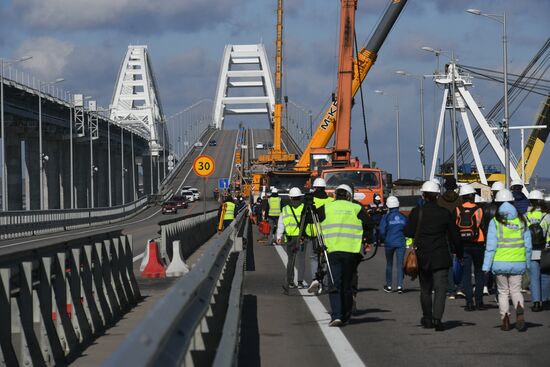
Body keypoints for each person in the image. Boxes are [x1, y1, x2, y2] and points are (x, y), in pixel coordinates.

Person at [404, 180, 462, 331]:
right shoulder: (444, 213)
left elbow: (408, 231)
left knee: (425, 289)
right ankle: (437, 318)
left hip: (423, 256)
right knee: (441, 289)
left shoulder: (418, 212)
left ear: (423, 195)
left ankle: (427, 318)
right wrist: (460, 252)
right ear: (437, 195)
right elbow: (454, 235)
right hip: (441, 255)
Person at [317, 184, 373, 326]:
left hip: (332, 250)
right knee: (347, 285)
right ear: (349, 196)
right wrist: (366, 237)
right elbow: (370, 224)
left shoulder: (327, 207)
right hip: (351, 252)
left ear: (335, 195)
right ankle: (346, 316)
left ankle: (336, 315)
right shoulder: (356, 208)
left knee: (334, 284)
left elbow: (313, 218)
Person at [483, 188, 532, 331]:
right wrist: (527, 263)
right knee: (516, 291)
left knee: (503, 292)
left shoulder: (495, 222)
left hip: (499, 263)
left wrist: (486, 266)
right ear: (512, 202)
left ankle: (505, 318)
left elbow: (491, 247)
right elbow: (528, 246)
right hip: (518, 263)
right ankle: (519, 308)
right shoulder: (522, 220)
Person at [455, 184, 486, 311]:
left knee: (466, 274)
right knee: (479, 273)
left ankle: (469, 302)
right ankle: (479, 301)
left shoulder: (457, 210)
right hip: (478, 242)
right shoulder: (479, 209)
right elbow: (482, 226)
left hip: (463, 244)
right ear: (473, 196)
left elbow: (455, 228)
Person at [303, 178, 334, 294]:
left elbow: (305, 217)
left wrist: (302, 234)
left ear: (314, 187)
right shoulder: (331, 201)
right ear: (325, 188)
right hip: (327, 233)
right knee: (326, 259)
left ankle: (315, 279)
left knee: (313, 257)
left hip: (313, 233)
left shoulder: (310, 199)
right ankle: (324, 283)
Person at [437, 177, 464, 299]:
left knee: (448, 263)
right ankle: (460, 286)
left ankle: (451, 289)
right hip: (458, 232)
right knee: (460, 259)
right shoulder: (460, 200)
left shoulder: (440, 200)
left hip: (444, 233)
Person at [278, 188, 308, 291]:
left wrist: (278, 236)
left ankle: (290, 282)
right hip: (301, 238)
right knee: (301, 259)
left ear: (290, 197)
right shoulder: (305, 208)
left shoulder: (285, 209)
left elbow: (281, 223)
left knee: (290, 260)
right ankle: (300, 282)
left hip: (289, 238)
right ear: (300, 197)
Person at [525, 190, 550, 312]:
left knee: (533, 277)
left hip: (531, 248)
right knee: (545, 276)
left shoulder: (526, 215)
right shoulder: (547, 215)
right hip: (545, 249)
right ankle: (545, 300)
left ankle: (536, 302)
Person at [379, 196, 408, 293]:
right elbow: (408, 229)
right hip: (401, 242)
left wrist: (384, 239)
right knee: (400, 264)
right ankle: (400, 286)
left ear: (388, 206)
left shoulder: (386, 217)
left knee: (389, 264)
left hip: (389, 242)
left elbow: (382, 231)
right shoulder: (403, 217)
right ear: (398, 205)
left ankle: (389, 286)